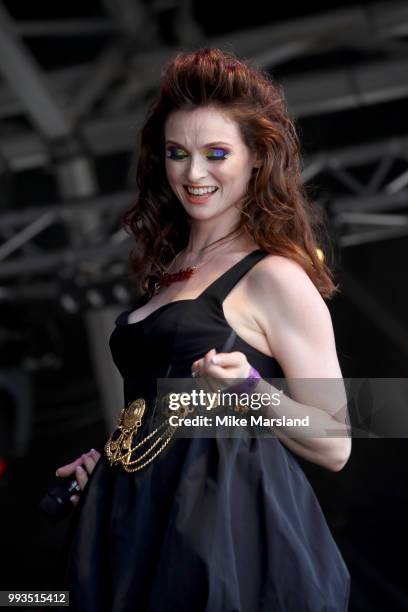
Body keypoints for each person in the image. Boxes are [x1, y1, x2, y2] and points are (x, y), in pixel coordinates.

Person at [56, 47, 351, 611]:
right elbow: (169, 412)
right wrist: (112, 459)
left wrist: (249, 391)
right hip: (137, 510)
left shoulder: (275, 276)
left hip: (223, 528)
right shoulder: (166, 273)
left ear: (256, 159)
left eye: (216, 153)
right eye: (177, 154)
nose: (193, 174)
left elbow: (336, 443)